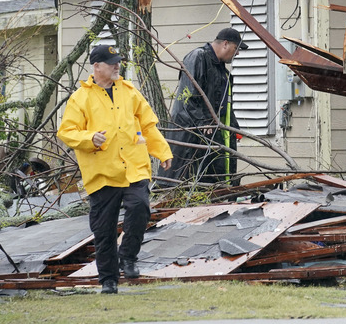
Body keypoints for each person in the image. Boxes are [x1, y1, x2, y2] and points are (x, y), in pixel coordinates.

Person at [57, 44, 173, 295]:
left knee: (140, 208)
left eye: (118, 62)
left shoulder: (130, 92)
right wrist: (89, 138)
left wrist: (162, 151)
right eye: (111, 62)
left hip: (134, 167)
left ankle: (128, 256)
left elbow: (149, 125)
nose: (117, 66)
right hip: (102, 173)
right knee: (104, 229)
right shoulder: (81, 98)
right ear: (96, 66)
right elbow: (67, 131)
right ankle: (108, 279)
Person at [158, 27, 247, 186]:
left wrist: (234, 128)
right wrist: (204, 121)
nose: (237, 53)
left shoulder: (223, 72)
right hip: (191, 132)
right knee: (188, 181)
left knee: (212, 181)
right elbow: (190, 95)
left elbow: (224, 104)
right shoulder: (198, 57)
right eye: (236, 48)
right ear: (225, 44)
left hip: (211, 134)